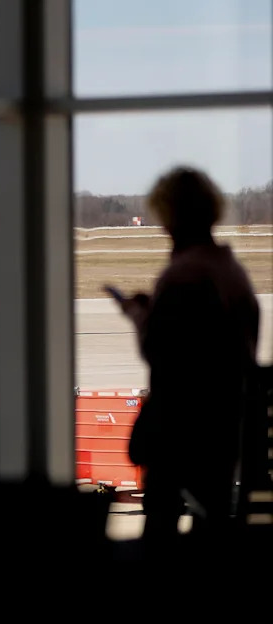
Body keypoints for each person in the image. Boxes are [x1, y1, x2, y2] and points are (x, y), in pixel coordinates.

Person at [111, 166, 260, 544]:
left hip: (184, 433)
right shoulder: (232, 272)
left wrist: (137, 314)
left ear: (168, 218)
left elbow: (162, 354)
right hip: (226, 431)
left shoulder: (184, 275)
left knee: (159, 528)